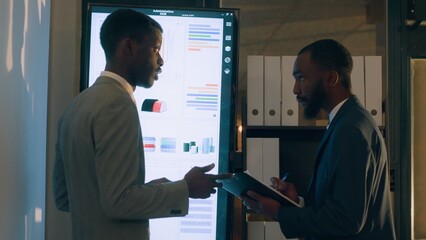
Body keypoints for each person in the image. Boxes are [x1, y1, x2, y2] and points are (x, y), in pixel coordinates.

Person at [53, 9, 229, 240]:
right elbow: (118, 203)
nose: (161, 60)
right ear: (129, 47)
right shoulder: (118, 103)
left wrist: (149, 191)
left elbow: (65, 197)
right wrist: (185, 188)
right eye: (155, 49)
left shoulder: (76, 105)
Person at [241, 39, 396, 239]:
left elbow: (346, 221)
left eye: (301, 78)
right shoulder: (347, 121)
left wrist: (279, 212)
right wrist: (298, 203)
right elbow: (343, 208)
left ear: (331, 78)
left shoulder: (351, 129)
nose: (295, 89)